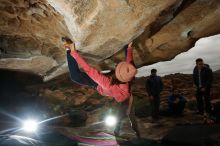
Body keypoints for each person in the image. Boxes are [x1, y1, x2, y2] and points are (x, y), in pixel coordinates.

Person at [62, 37, 140, 138]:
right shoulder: (126, 79)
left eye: (117, 68)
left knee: (77, 76)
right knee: (75, 76)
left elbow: (89, 69)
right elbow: (129, 66)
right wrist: (129, 48)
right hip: (106, 85)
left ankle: (69, 50)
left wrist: (74, 52)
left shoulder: (108, 83)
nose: (117, 66)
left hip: (99, 85)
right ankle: (68, 49)